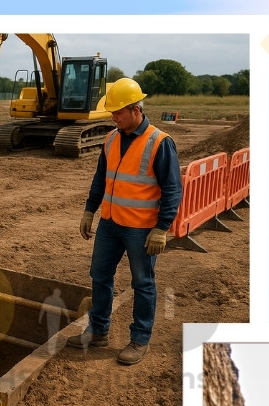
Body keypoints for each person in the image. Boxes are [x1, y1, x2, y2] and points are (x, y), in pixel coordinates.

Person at [67, 78, 182, 366]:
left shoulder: (159, 142)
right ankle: (98, 331)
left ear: (135, 110)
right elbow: (100, 180)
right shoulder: (111, 138)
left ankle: (139, 339)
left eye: (118, 112)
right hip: (110, 223)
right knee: (99, 276)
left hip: (141, 229)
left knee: (142, 283)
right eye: (112, 112)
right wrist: (89, 211)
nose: (113, 117)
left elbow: (172, 189)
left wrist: (162, 228)